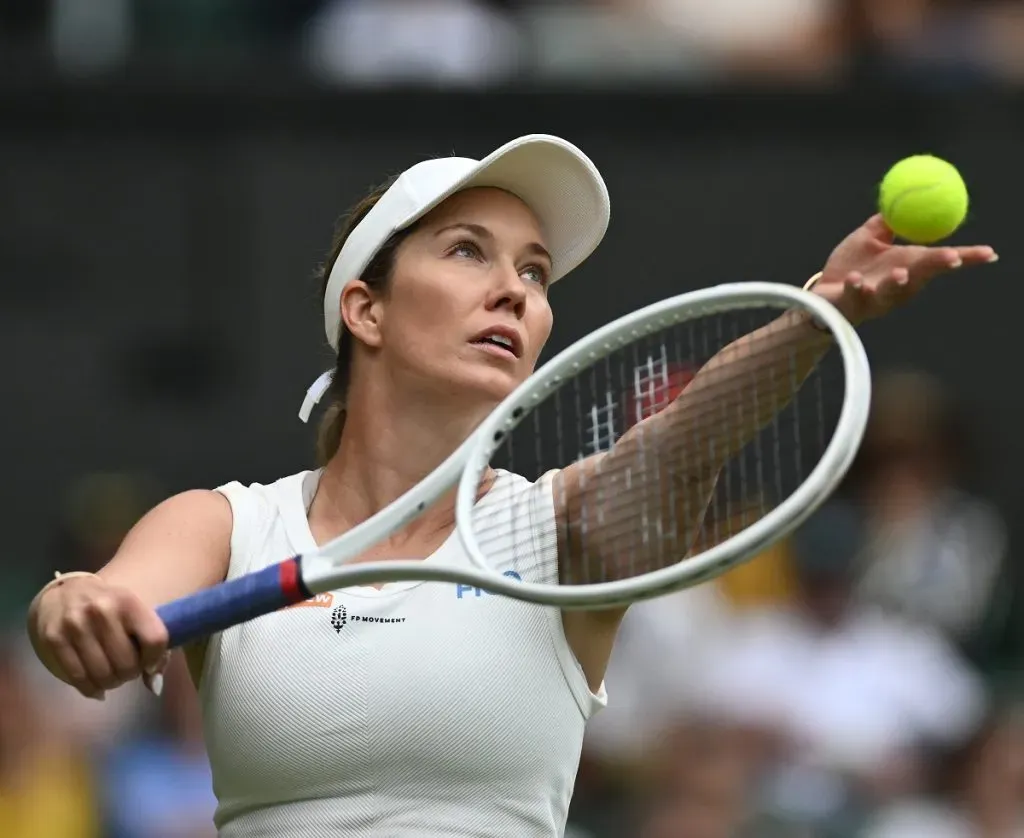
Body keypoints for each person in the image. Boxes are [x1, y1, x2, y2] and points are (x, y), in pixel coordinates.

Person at [24, 134, 998, 837]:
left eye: (534, 273)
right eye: (467, 252)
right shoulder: (228, 523)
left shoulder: (559, 531)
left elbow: (684, 444)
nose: (516, 291)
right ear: (364, 308)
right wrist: (75, 611)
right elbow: (108, 600)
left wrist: (812, 316)